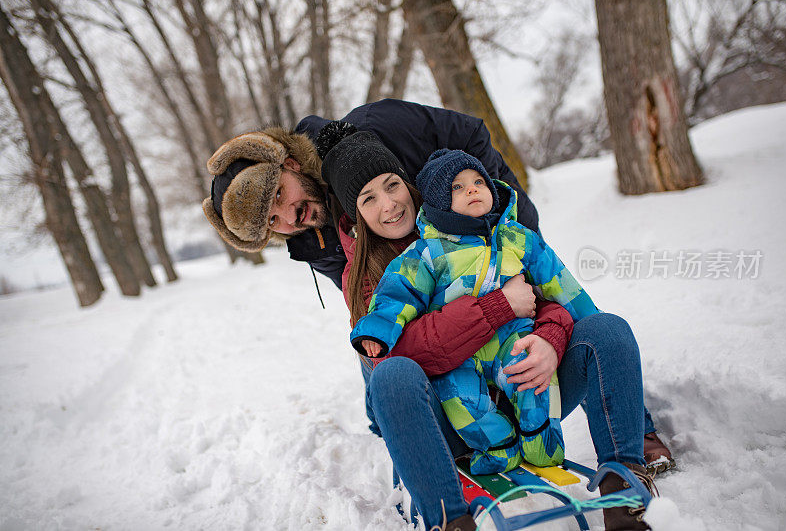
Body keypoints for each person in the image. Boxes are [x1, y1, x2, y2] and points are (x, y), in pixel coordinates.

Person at [202, 99, 672, 530]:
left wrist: (500, 221)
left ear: (289, 165)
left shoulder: (385, 131)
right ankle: (444, 506)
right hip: (452, 404)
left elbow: (554, 297)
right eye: (270, 222)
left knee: (598, 325)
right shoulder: (332, 248)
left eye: (279, 198)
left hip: (517, 368)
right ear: (352, 213)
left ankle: (626, 472)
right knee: (390, 373)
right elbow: (381, 336)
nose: (287, 218)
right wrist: (493, 308)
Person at [350, 148, 602, 476]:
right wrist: (377, 329)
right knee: (461, 399)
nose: (471, 189)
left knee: (533, 379)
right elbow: (398, 294)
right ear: (439, 203)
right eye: (457, 187)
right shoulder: (426, 252)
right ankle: (499, 447)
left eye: (478, 181)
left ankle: (541, 442)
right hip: (458, 357)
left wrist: (591, 322)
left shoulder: (518, 238)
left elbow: (560, 284)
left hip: (511, 338)